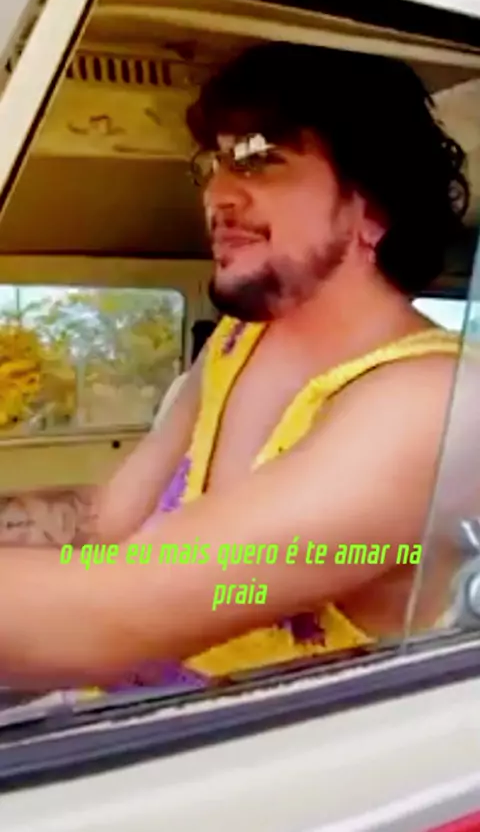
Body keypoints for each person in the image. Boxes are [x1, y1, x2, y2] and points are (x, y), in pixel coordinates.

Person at [0, 42, 471, 690]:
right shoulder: (236, 342)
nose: (216, 193)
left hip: (255, 748)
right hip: (126, 713)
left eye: (259, 158)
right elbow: (109, 520)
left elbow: (110, 612)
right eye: (214, 162)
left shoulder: (430, 403)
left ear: (371, 208)